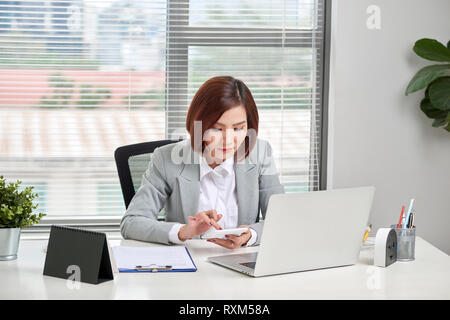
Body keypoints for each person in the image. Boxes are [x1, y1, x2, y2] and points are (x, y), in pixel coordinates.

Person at [120, 76, 284, 249]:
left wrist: (251, 235)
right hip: (188, 264)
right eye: (217, 129)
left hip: (240, 262)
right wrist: (184, 231)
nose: (228, 140)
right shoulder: (166, 158)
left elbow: (281, 220)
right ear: (198, 125)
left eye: (238, 128)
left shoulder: (260, 153)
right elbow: (131, 222)